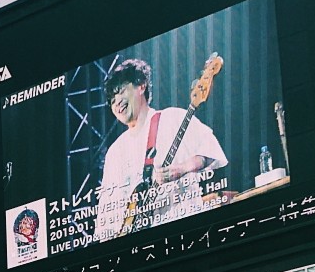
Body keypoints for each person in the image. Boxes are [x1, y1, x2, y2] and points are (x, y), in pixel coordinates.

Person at [93, 57, 226, 241]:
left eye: (121, 91)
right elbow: (106, 215)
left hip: (184, 234)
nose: (116, 102)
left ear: (141, 85)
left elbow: (210, 151)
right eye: (111, 100)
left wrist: (182, 169)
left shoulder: (172, 118)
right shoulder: (115, 152)